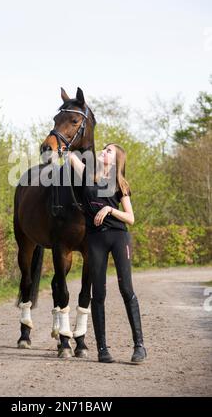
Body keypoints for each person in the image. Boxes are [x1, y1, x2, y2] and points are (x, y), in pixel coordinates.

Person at [66, 143, 147, 364]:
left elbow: (130, 218)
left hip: (119, 237)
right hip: (95, 240)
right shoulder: (88, 176)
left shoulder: (120, 184)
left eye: (109, 150)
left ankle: (139, 345)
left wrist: (110, 209)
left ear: (116, 159)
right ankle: (102, 349)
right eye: (104, 148)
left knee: (126, 288)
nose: (103, 150)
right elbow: (70, 154)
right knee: (98, 293)